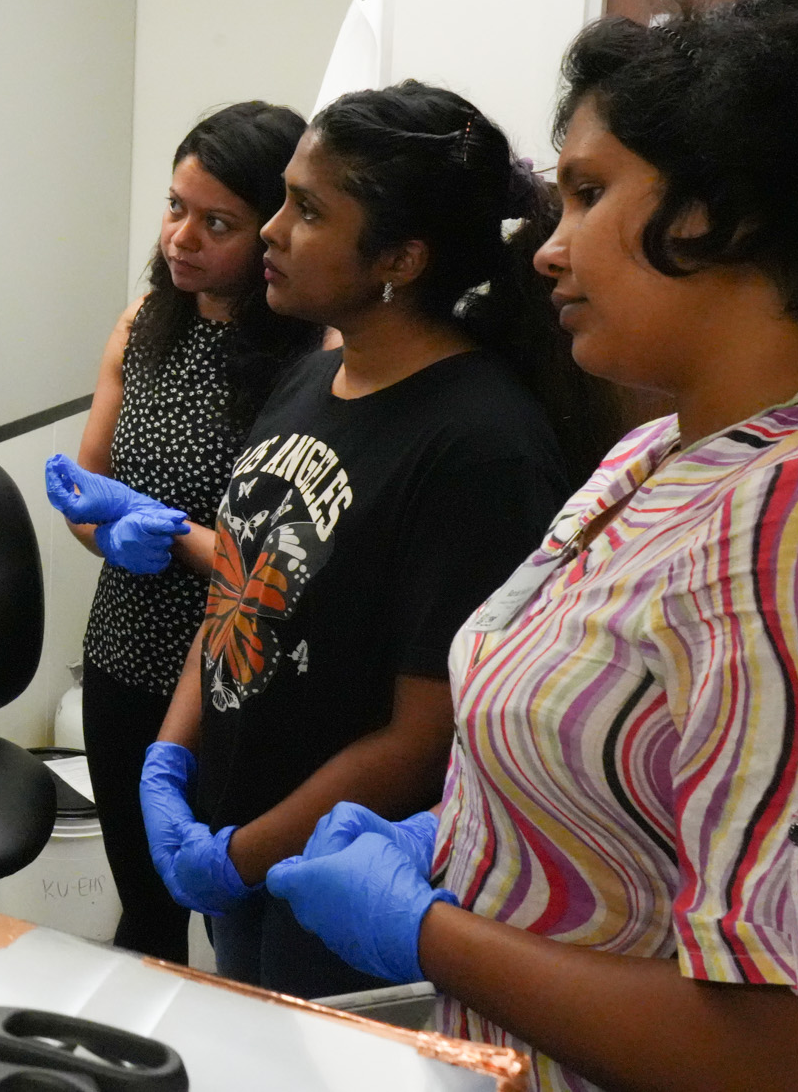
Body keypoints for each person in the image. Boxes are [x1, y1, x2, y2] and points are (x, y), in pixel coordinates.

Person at [265, 0, 798, 1091]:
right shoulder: (652, 460)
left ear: (724, 212)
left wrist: (426, 931)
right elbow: (626, 770)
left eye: (588, 193)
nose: (546, 247)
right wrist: (459, 827)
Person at [140, 82, 617, 997]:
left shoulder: (480, 444)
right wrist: (173, 756)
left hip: (338, 876)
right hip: (238, 840)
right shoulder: (312, 378)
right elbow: (239, 587)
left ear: (400, 255)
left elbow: (423, 730)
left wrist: (247, 850)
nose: (272, 231)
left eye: (308, 210)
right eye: (282, 199)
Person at [44, 101, 318, 964]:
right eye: (174, 207)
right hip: (126, 654)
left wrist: (177, 538)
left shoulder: (313, 361)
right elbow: (93, 499)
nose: (181, 238)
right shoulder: (142, 327)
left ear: (273, 227)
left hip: (238, 679)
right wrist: (100, 524)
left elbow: (294, 563)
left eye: (216, 222)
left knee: (242, 921)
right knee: (147, 906)